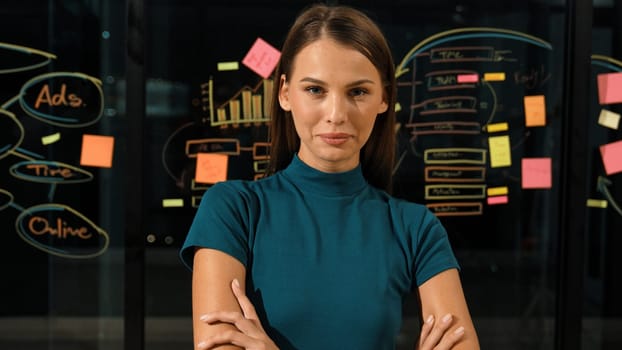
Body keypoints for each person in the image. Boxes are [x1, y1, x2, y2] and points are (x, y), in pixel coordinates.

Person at [180, 3, 479, 349]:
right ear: (285, 94)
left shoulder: (416, 229)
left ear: (384, 98)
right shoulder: (233, 210)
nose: (336, 114)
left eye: (358, 92)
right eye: (315, 90)